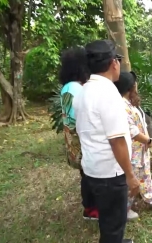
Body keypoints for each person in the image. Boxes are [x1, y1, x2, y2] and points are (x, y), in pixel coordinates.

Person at [73, 39, 139, 243]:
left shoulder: (82, 91)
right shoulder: (109, 94)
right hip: (111, 174)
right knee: (114, 223)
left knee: (107, 217)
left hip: (93, 168)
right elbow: (117, 140)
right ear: (113, 63)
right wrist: (130, 176)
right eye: (118, 59)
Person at [114, 71, 152, 221]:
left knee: (145, 177)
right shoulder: (122, 106)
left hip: (140, 151)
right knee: (133, 183)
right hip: (134, 152)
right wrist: (148, 141)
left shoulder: (127, 103)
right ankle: (124, 211)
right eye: (135, 83)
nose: (137, 85)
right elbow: (133, 131)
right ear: (130, 86)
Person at [58, 46, 98, 220]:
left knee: (86, 175)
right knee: (89, 176)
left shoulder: (67, 87)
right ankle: (91, 210)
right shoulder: (76, 89)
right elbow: (81, 117)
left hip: (72, 139)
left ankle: (90, 207)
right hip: (80, 140)